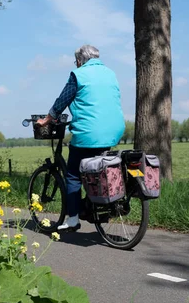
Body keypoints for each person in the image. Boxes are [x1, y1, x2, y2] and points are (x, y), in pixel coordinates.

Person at [37, 45, 125, 231]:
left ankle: (73, 219)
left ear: (80, 60)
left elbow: (63, 100)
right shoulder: (111, 73)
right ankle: (95, 204)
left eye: (76, 61)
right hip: (114, 131)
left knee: (73, 175)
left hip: (89, 132)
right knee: (98, 168)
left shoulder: (79, 74)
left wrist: (47, 120)